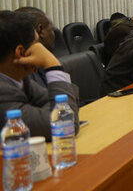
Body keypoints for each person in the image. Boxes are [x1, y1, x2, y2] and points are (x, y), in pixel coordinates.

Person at [0, 11, 80, 140]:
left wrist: (47, 113)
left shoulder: (18, 79)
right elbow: (64, 125)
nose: (42, 50)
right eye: (37, 44)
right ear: (20, 52)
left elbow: (64, 104)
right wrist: (53, 64)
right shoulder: (3, 91)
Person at [14, 7, 56, 87]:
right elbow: (60, 96)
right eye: (51, 30)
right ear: (40, 30)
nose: (54, 35)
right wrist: (54, 65)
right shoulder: (25, 73)